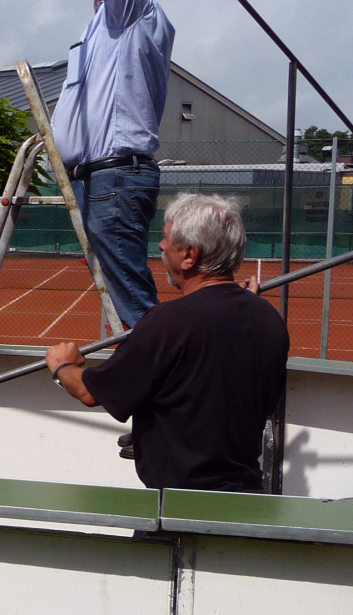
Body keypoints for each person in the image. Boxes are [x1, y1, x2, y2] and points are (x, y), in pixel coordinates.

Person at [30, 0, 176, 330]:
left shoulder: (135, 7)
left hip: (115, 177)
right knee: (121, 298)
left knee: (134, 305)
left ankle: (159, 369)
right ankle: (144, 360)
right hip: (98, 179)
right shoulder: (108, 20)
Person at [44, 194, 289, 492]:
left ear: (190, 256)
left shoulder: (167, 322)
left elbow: (89, 392)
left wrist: (63, 366)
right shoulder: (268, 319)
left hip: (179, 505)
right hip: (246, 497)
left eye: (167, 239)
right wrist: (246, 303)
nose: (161, 246)